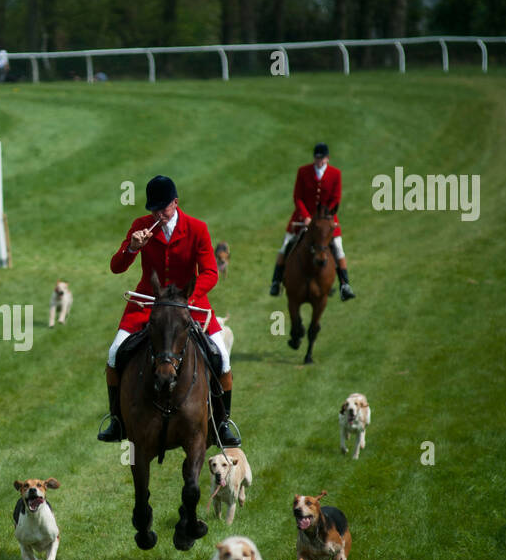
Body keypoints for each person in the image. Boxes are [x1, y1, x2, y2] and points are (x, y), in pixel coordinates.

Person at [97, 175, 240, 448]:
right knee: (115, 352)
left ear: (175, 202)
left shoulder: (197, 228)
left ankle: (223, 423)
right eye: (154, 209)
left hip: (189, 305)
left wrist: (188, 297)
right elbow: (116, 266)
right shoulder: (140, 227)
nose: (158, 214)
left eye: (163, 208)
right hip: (147, 304)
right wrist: (132, 247)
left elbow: (210, 272)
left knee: (222, 357)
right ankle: (116, 420)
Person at [268, 142, 354, 300]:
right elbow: (298, 197)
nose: (319, 161)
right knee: (285, 247)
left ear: (327, 158)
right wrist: (306, 217)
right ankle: (276, 282)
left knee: (338, 249)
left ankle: (345, 285)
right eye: (317, 158)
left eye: (322, 159)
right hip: (303, 219)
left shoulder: (336, 174)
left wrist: (323, 218)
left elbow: (336, 199)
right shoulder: (303, 171)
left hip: (326, 221)